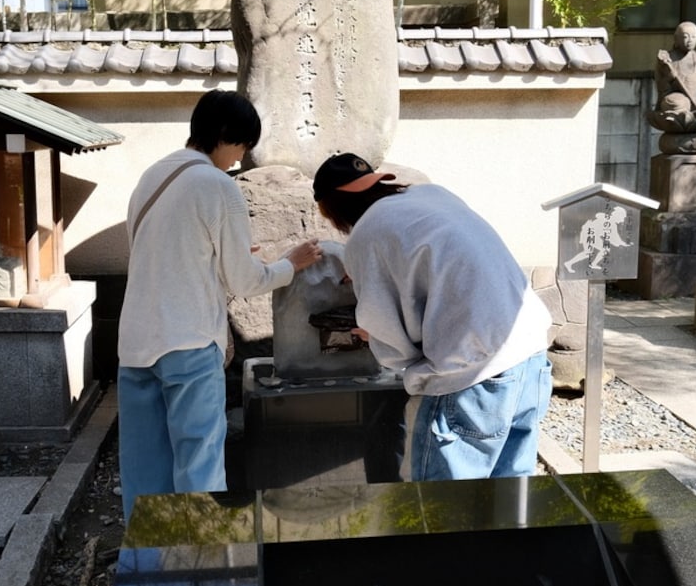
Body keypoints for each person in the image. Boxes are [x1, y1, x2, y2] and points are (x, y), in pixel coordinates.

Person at [117, 90, 323, 521]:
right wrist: (289, 264)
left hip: (135, 344)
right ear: (227, 136)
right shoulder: (215, 184)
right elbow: (245, 281)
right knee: (199, 465)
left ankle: (150, 567)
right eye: (242, 147)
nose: (239, 158)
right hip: (189, 342)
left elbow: (165, 257)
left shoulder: (151, 176)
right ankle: (203, 565)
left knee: (144, 469)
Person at [312, 153, 552, 481]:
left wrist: (374, 335)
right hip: (530, 349)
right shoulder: (431, 194)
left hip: (475, 373)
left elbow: (393, 347)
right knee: (511, 499)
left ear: (332, 209)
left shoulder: (366, 235)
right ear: (377, 182)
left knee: (445, 509)